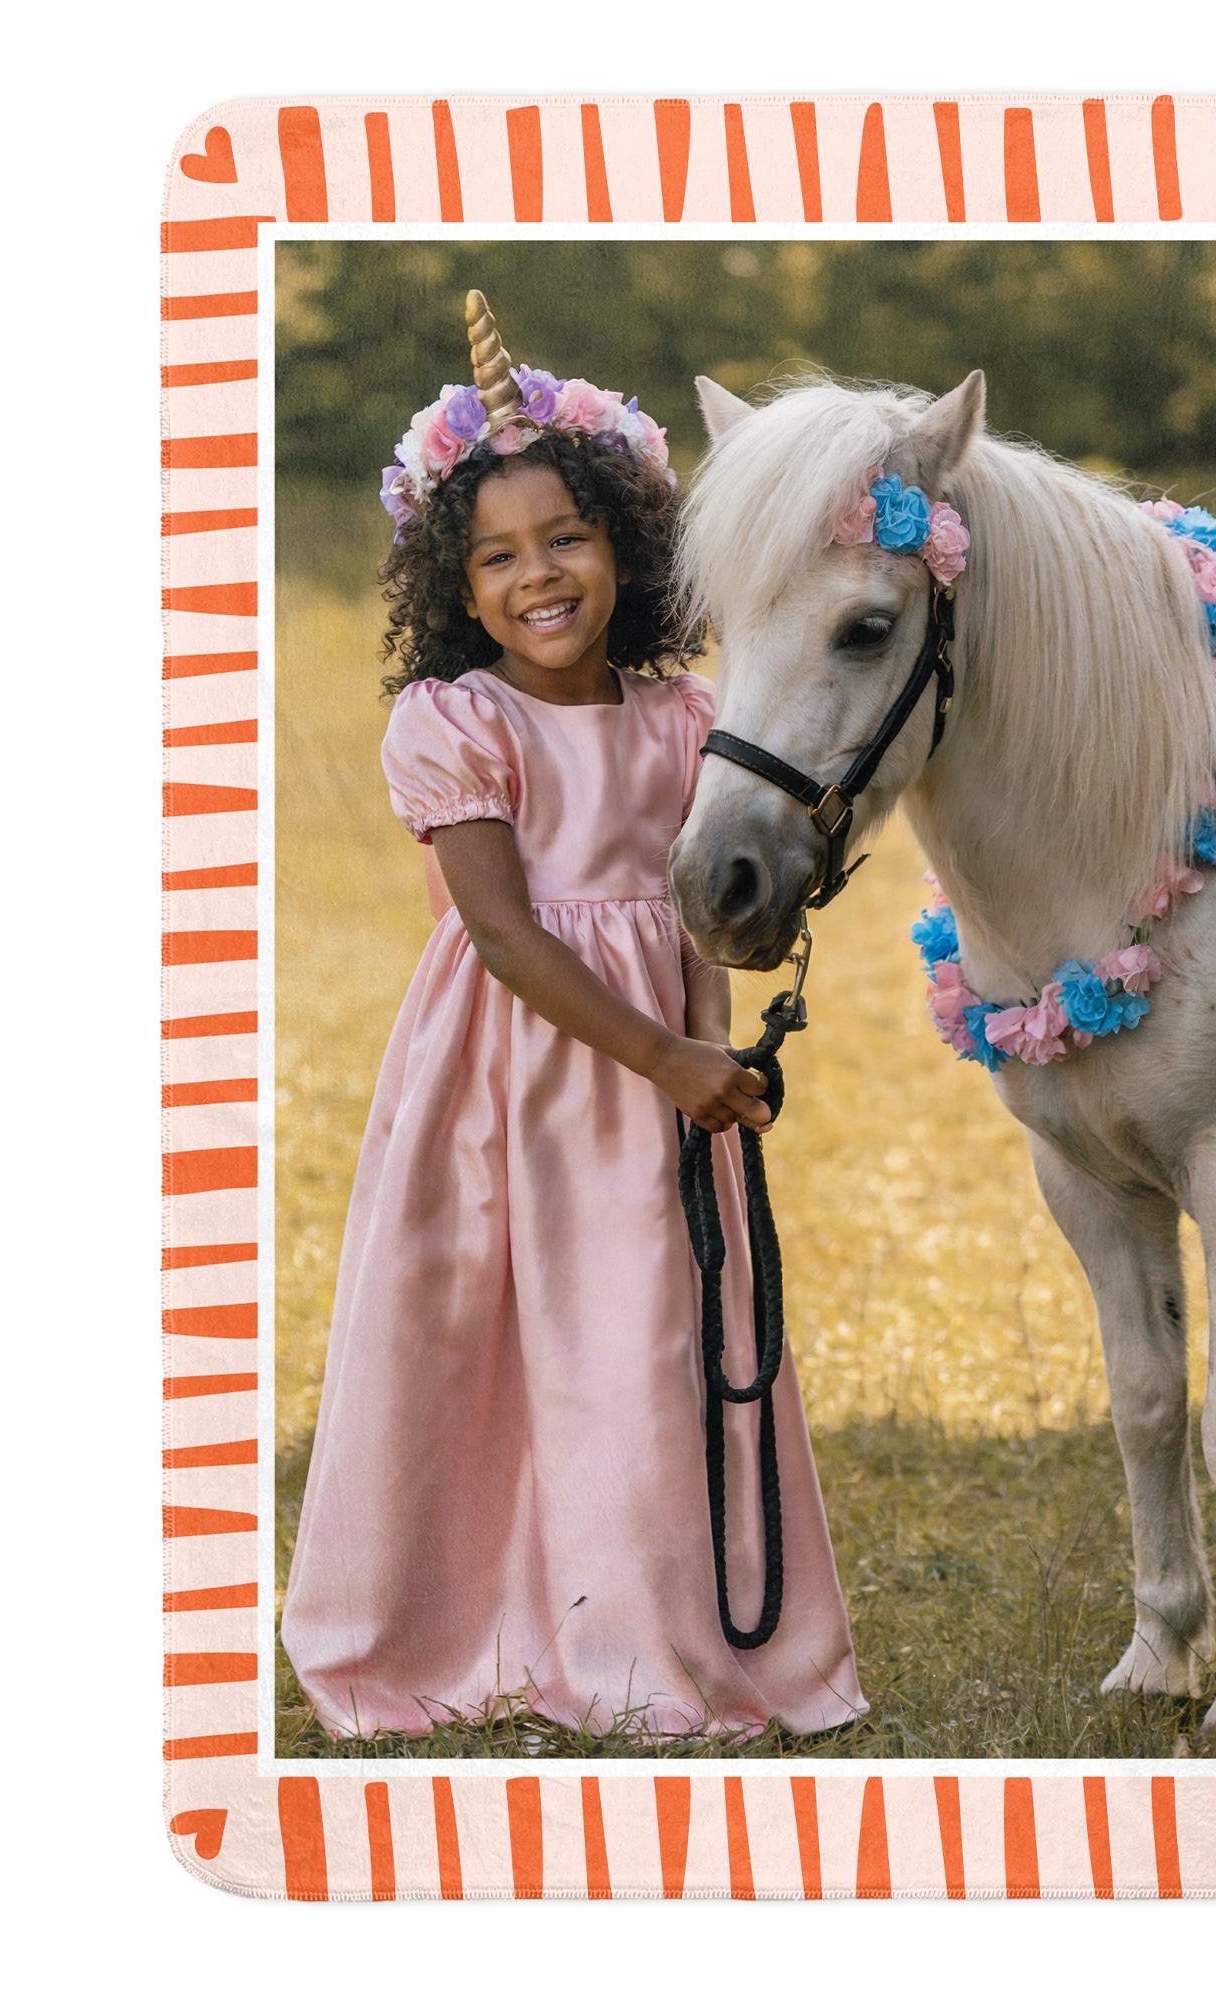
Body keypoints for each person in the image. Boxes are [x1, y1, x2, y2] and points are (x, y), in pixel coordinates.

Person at [279, 341, 865, 1741]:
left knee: (649, 1346)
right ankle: (461, 1618)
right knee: (482, 1347)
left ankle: (652, 1630)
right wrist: (662, 1054)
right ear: (453, 586)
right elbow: (502, 935)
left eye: (566, 538)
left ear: (627, 547)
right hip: (511, 1079)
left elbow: (699, 923)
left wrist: (714, 1043)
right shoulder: (455, 724)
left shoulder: (682, 722)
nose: (537, 577)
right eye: (495, 559)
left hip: (665, 1081)